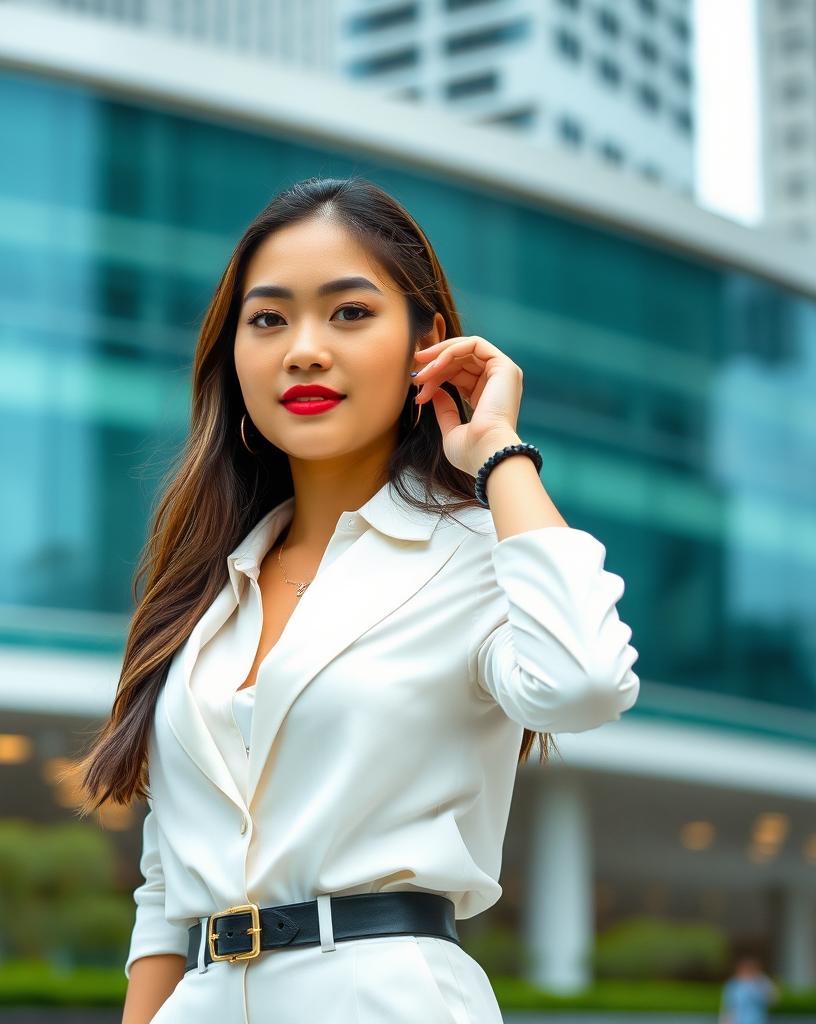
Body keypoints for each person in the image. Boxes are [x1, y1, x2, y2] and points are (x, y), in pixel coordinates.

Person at [76, 176, 641, 1023]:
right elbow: (168, 884)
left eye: (349, 313)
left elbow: (585, 683)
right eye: (268, 319)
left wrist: (498, 452)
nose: (304, 349)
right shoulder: (207, 582)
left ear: (431, 343)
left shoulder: (477, 554)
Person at [720, 955, 779, 1024]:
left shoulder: (762, 981)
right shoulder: (733, 984)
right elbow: (728, 1006)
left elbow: (774, 1000)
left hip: (758, 1020)